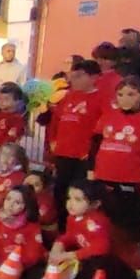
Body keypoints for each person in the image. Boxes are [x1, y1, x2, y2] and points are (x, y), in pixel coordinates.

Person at [92, 76, 140, 249]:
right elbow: (95, 144)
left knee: (130, 222)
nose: (124, 99)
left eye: (131, 94)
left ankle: (132, 257)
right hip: (105, 176)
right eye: (120, 94)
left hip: (133, 179)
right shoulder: (108, 116)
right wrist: (91, 170)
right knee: (105, 218)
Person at [50, 179, 138, 279]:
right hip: (97, 261)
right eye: (69, 198)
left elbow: (101, 248)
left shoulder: (98, 221)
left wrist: (69, 255)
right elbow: (70, 236)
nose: (70, 203)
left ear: (95, 204)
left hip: (122, 268)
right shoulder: (73, 218)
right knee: (81, 258)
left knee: (99, 259)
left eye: (78, 200)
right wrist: (58, 245)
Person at [42, 59, 104, 222]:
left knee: (79, 195)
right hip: (63, 153)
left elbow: (101, 131)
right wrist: (53, 141)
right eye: (73, 76)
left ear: (94, 77)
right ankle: (61, 229)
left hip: (82, 156)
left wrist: (91, 154)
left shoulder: (101, 99)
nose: (74, 80)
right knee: (60, 193)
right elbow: (56, 121)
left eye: (79, 76)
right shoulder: (68, 97)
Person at [0, 185, 47, 279]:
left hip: (25, 267)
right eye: (8, 199)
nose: (10, 204)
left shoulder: (32, 225)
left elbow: (33, 255)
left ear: (26, 206)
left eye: (17, 202)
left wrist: (11, 266)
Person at [23, 170, 59, 246]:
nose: (30, 187)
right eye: (27, 183)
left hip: (45, 233)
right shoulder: (22, 193)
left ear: (43, 187)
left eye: (36, 185)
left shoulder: (45, 200)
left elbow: (39, 218)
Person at [92, 42, 124, 110]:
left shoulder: (118, 80)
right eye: (97, 58)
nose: (100, 62)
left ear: (114, 62)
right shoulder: (90, 78)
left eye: (105, 59)